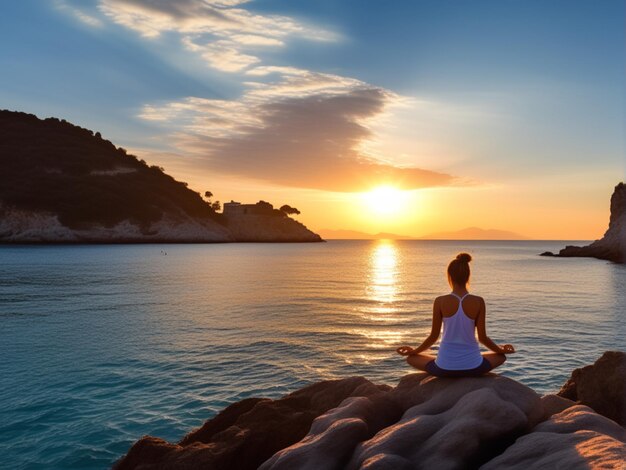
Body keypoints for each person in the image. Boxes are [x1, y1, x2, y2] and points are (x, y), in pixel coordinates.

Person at [396, 252, 515, 377]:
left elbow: (433, 337)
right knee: (500, 357)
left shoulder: (440, 301)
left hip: (444, 369)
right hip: (474, 367)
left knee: (411, 359)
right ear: (468, 276)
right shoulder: (478, 301)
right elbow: (482, 338)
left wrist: (414, 351)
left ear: (450, 276)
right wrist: (501, 350)